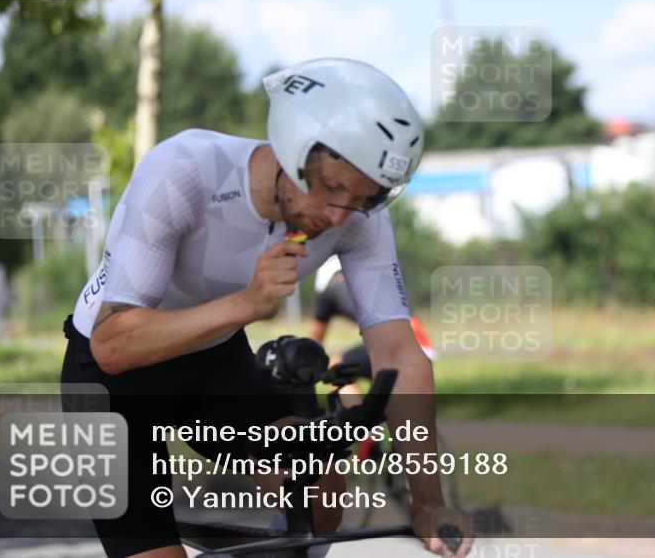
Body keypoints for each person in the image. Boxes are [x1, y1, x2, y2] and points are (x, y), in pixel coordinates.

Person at [60, 58, 474, 558]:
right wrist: (246, 303)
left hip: (213, 360)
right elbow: (112, 346)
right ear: (293, 146)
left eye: (363, 196)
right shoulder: (185, 169)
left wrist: (428, 502)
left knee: (318, 492)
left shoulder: (359, 218)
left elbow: (401, 357)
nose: (338, 215)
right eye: (331, 187)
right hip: (111, 378)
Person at [309, 255, 438, 403]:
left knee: (336, 367)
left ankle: (359, 415)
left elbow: (313, 344)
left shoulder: (329, 293)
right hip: (420, 344)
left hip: (393, 341)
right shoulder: (374, 282)